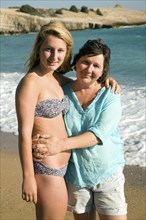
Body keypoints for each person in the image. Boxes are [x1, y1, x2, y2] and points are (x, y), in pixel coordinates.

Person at [15, 21, 119, 220]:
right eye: (49, 50)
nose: (55, 57)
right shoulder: (30, 83)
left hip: (66, 169)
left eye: (60, 50)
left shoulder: (56, 78)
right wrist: (28, 177)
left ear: (67, 51)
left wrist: (105, 78)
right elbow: (24, 133)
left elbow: (84, 83)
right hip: (47, 169)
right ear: (39, 49)